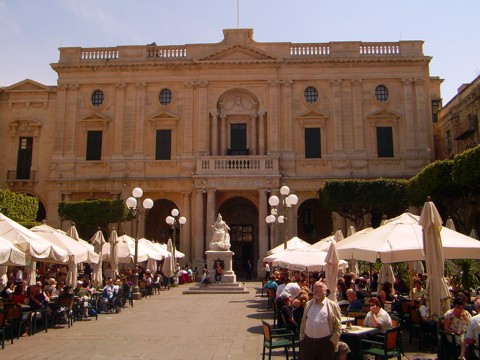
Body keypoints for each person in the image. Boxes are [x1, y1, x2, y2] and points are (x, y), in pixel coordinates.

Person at [299, 281, 342, 360]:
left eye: (320, 288)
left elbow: (338, 326)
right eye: (315, 288)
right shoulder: (308, 304)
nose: (317, 290)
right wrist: (302, 338)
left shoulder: (332, 305)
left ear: (325, 290)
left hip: (325, 344)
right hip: (308, 343)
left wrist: (333, 342)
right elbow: (303, 322)